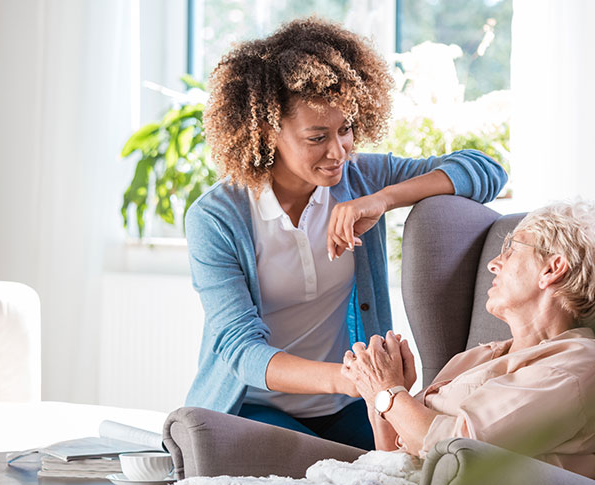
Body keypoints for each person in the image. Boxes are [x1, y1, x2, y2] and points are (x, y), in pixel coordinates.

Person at [183, 17, 507, 452]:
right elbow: (241, 351)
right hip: (253, 406)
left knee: (427, 459)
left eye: (346, 129)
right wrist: (355, 379)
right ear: (267, 132)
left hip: (345, 404)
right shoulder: (217, 217)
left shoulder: (360, 180)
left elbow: (486, 171)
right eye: (317, 137)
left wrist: (384, 199)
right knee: (322, 469)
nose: (338, 152)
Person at [341, 201, 595, 480]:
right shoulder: (476, 357)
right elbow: (392, 458)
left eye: (512, 249)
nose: (494, 263)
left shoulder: (575, 366)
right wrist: (377, 395)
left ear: (552, 269)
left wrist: (388, 392)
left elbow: (455, 453)